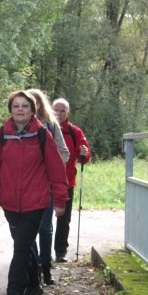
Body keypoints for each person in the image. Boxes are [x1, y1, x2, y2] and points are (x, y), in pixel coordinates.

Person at [0, 90, 68, 295]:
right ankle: (34, 283)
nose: (20, 109)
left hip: (35, 202)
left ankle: (14, 293)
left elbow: (56, 170)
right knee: (25, 244)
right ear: (11, 110)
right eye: (16, 106)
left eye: (25, 106)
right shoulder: (2, 135)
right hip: (10, 203)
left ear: (33, 110)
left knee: (21, 246)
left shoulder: (41, 134)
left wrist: (60, 199)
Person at [26, 89, 69, 286]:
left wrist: (51, 167)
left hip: (47, 186)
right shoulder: (17, 126)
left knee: (45, 228)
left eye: (33, 103)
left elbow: (64, 152)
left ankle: (45, 266)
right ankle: (33, 267)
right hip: (26, 187)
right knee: (28, 230)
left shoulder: (51, 125)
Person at [52, 98, 91, 262]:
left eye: (63, 111)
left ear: (67, 113)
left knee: (64, 219)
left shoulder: (75, 132)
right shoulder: (44, 128)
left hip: (67, 181)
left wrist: (84, 153)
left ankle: (60, 252)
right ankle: (42, 253)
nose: (59, 114)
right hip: (45, 181)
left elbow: (84, 157)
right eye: (56, 110)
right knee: (42, 220)